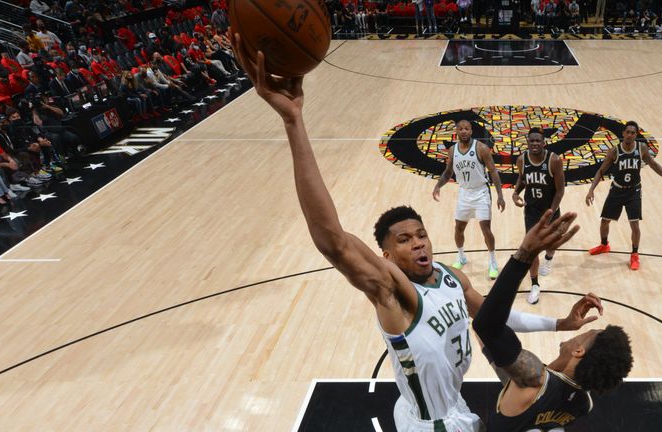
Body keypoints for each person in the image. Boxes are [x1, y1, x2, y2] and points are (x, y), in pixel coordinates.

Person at [228, 31, 602, 432]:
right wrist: (293, 121)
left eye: (420, 233)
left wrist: (559, 325)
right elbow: (332, 240)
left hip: (454, 406)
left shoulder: (449, 277)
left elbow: (496, 318)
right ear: (387, 257)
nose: (418, 242)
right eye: (403, 240)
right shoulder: (393, 291)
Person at [472, 210, 633, 431]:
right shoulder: (583, 404)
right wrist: (559, 324)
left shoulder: (534, 377)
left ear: (579, 351)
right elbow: (498, 353)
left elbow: (487, 326)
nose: (577, 333)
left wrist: (525, 255)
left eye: (585, 335)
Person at [585, 121, 662, 270]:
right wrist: (591, 190)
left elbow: (653, 165)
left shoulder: (641, 148)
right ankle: (604, 245)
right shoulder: (615, 151)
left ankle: (634, 254)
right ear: (623, 133)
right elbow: (601, 171)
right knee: (605, 221)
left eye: (633, 133)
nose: (630, 135)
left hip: (633, 191)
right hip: (617, 190)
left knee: (634, 224)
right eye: (628, 132)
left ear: (636, 135)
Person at [433, 119, 505, 279]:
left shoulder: (481, 148)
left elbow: (493, 172)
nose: (464, 131)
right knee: (459, 228)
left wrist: (500, 196)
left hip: (481, 193)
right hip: (464, 193)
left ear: (471, 131)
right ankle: (461, 256)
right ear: (456, 131)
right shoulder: (452, 150)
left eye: (467, 129)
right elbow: (447, 172)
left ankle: (493, 261)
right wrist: (438, 185)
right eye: (461, 129)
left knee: (486, 230)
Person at [512, 127, 564, 304]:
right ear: (528, 141)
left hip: (550, 209)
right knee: (531, 249)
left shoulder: (554, 161)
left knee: (552, 243)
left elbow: (560, 191)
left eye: (538, 141)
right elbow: (522, 179)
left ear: (544, 143)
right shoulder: (521, 160)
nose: (534, 144)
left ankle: (548, 259)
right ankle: (535, 285)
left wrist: (551, 212)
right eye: (531, 140)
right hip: (532, 211)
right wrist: (515, 193)